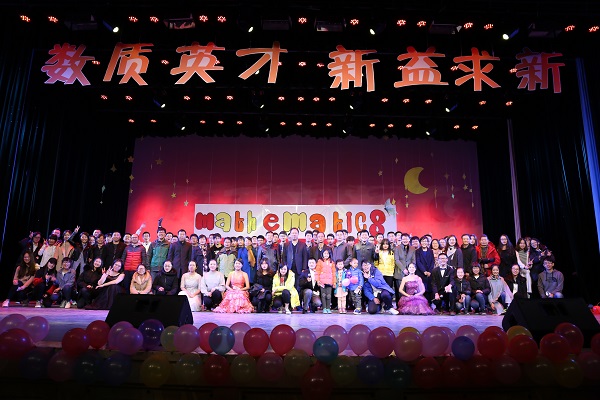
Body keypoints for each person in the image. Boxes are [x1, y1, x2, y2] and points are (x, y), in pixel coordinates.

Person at [282, 227, 308, 294]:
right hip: (289, 268)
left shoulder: (303, 244)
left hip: (299, 269)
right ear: (290, 234)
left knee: (298, 286)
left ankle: (297, 300)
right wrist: (285, 267)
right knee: (289, 285)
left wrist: (304, 268)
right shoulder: (286, 245)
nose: (294, 234)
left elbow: (305, 257)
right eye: (292, 233)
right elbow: (284, 257)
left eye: (295, 233)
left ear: (298, 234)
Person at [414, 236, 435, 301]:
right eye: (422, 241)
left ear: (428, 242)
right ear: (420, 242)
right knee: (421, 289)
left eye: (425, 241)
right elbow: (418, 262)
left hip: (429, 273)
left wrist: (430, 271)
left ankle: (429, 303)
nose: (424, 242)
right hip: (421, 272)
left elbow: (432, 261)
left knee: (429, 289)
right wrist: (424, 271)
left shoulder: (430, 251)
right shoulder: (417, 251)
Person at [316, 249, 336, 314]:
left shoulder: (332, 262)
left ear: (329, 254)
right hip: (322, 282)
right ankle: (324, 308)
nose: (326, 255)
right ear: (322, 254)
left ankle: (328, 308)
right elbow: (317, 271)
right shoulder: (320, 261)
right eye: (325, 253)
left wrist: (334, 282)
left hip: (329, 282)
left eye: (327, 253)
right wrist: (318, 280)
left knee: (329, 295)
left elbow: (334, 273)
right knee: (323, 295)